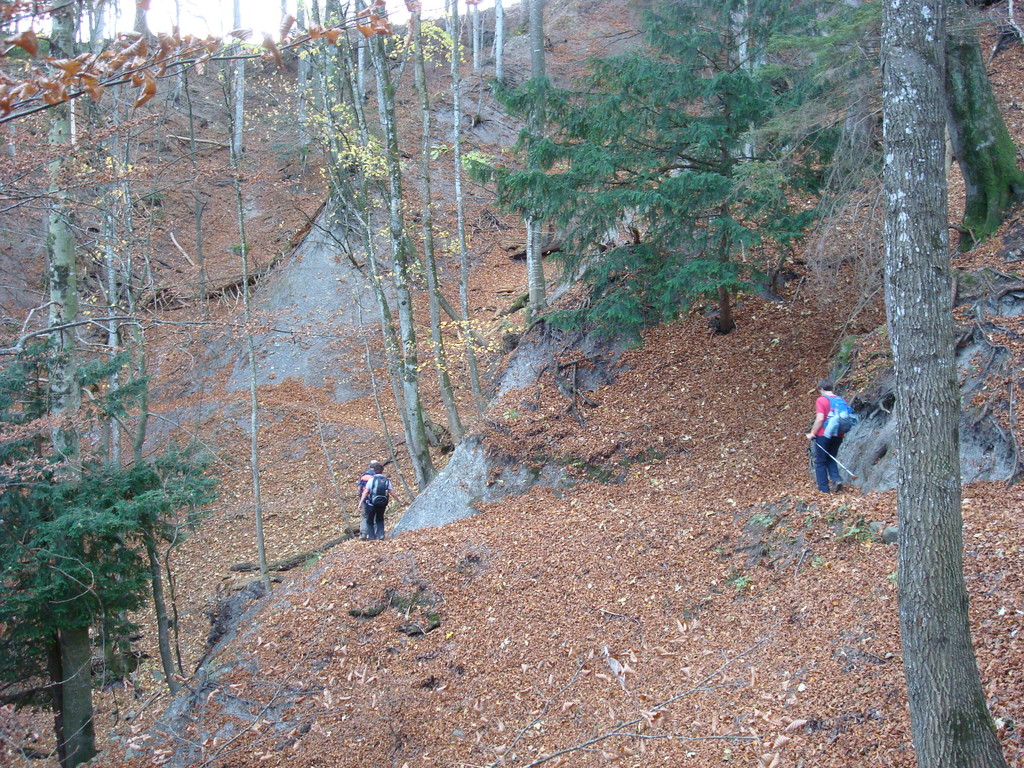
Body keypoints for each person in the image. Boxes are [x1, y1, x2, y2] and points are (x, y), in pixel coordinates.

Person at [806, 378, 845, 493]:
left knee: (821, 461)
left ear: (821, 389)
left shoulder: (821, 400)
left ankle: (824, 489)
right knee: (831, 457)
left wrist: (812, 433)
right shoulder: (840, 400)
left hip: (823, 434)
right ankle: (836, 479)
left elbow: (820, 419)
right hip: (838, 434)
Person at [358, 460, 392, 540]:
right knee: (377, 518)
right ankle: (378, 534)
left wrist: (361, 501)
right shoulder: (381, 477)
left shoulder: (364, 476)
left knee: (365, 516)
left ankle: (364, 534)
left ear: (370, 466)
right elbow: (390, 491)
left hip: (366, 500)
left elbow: (360, 489)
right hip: (378, 500)